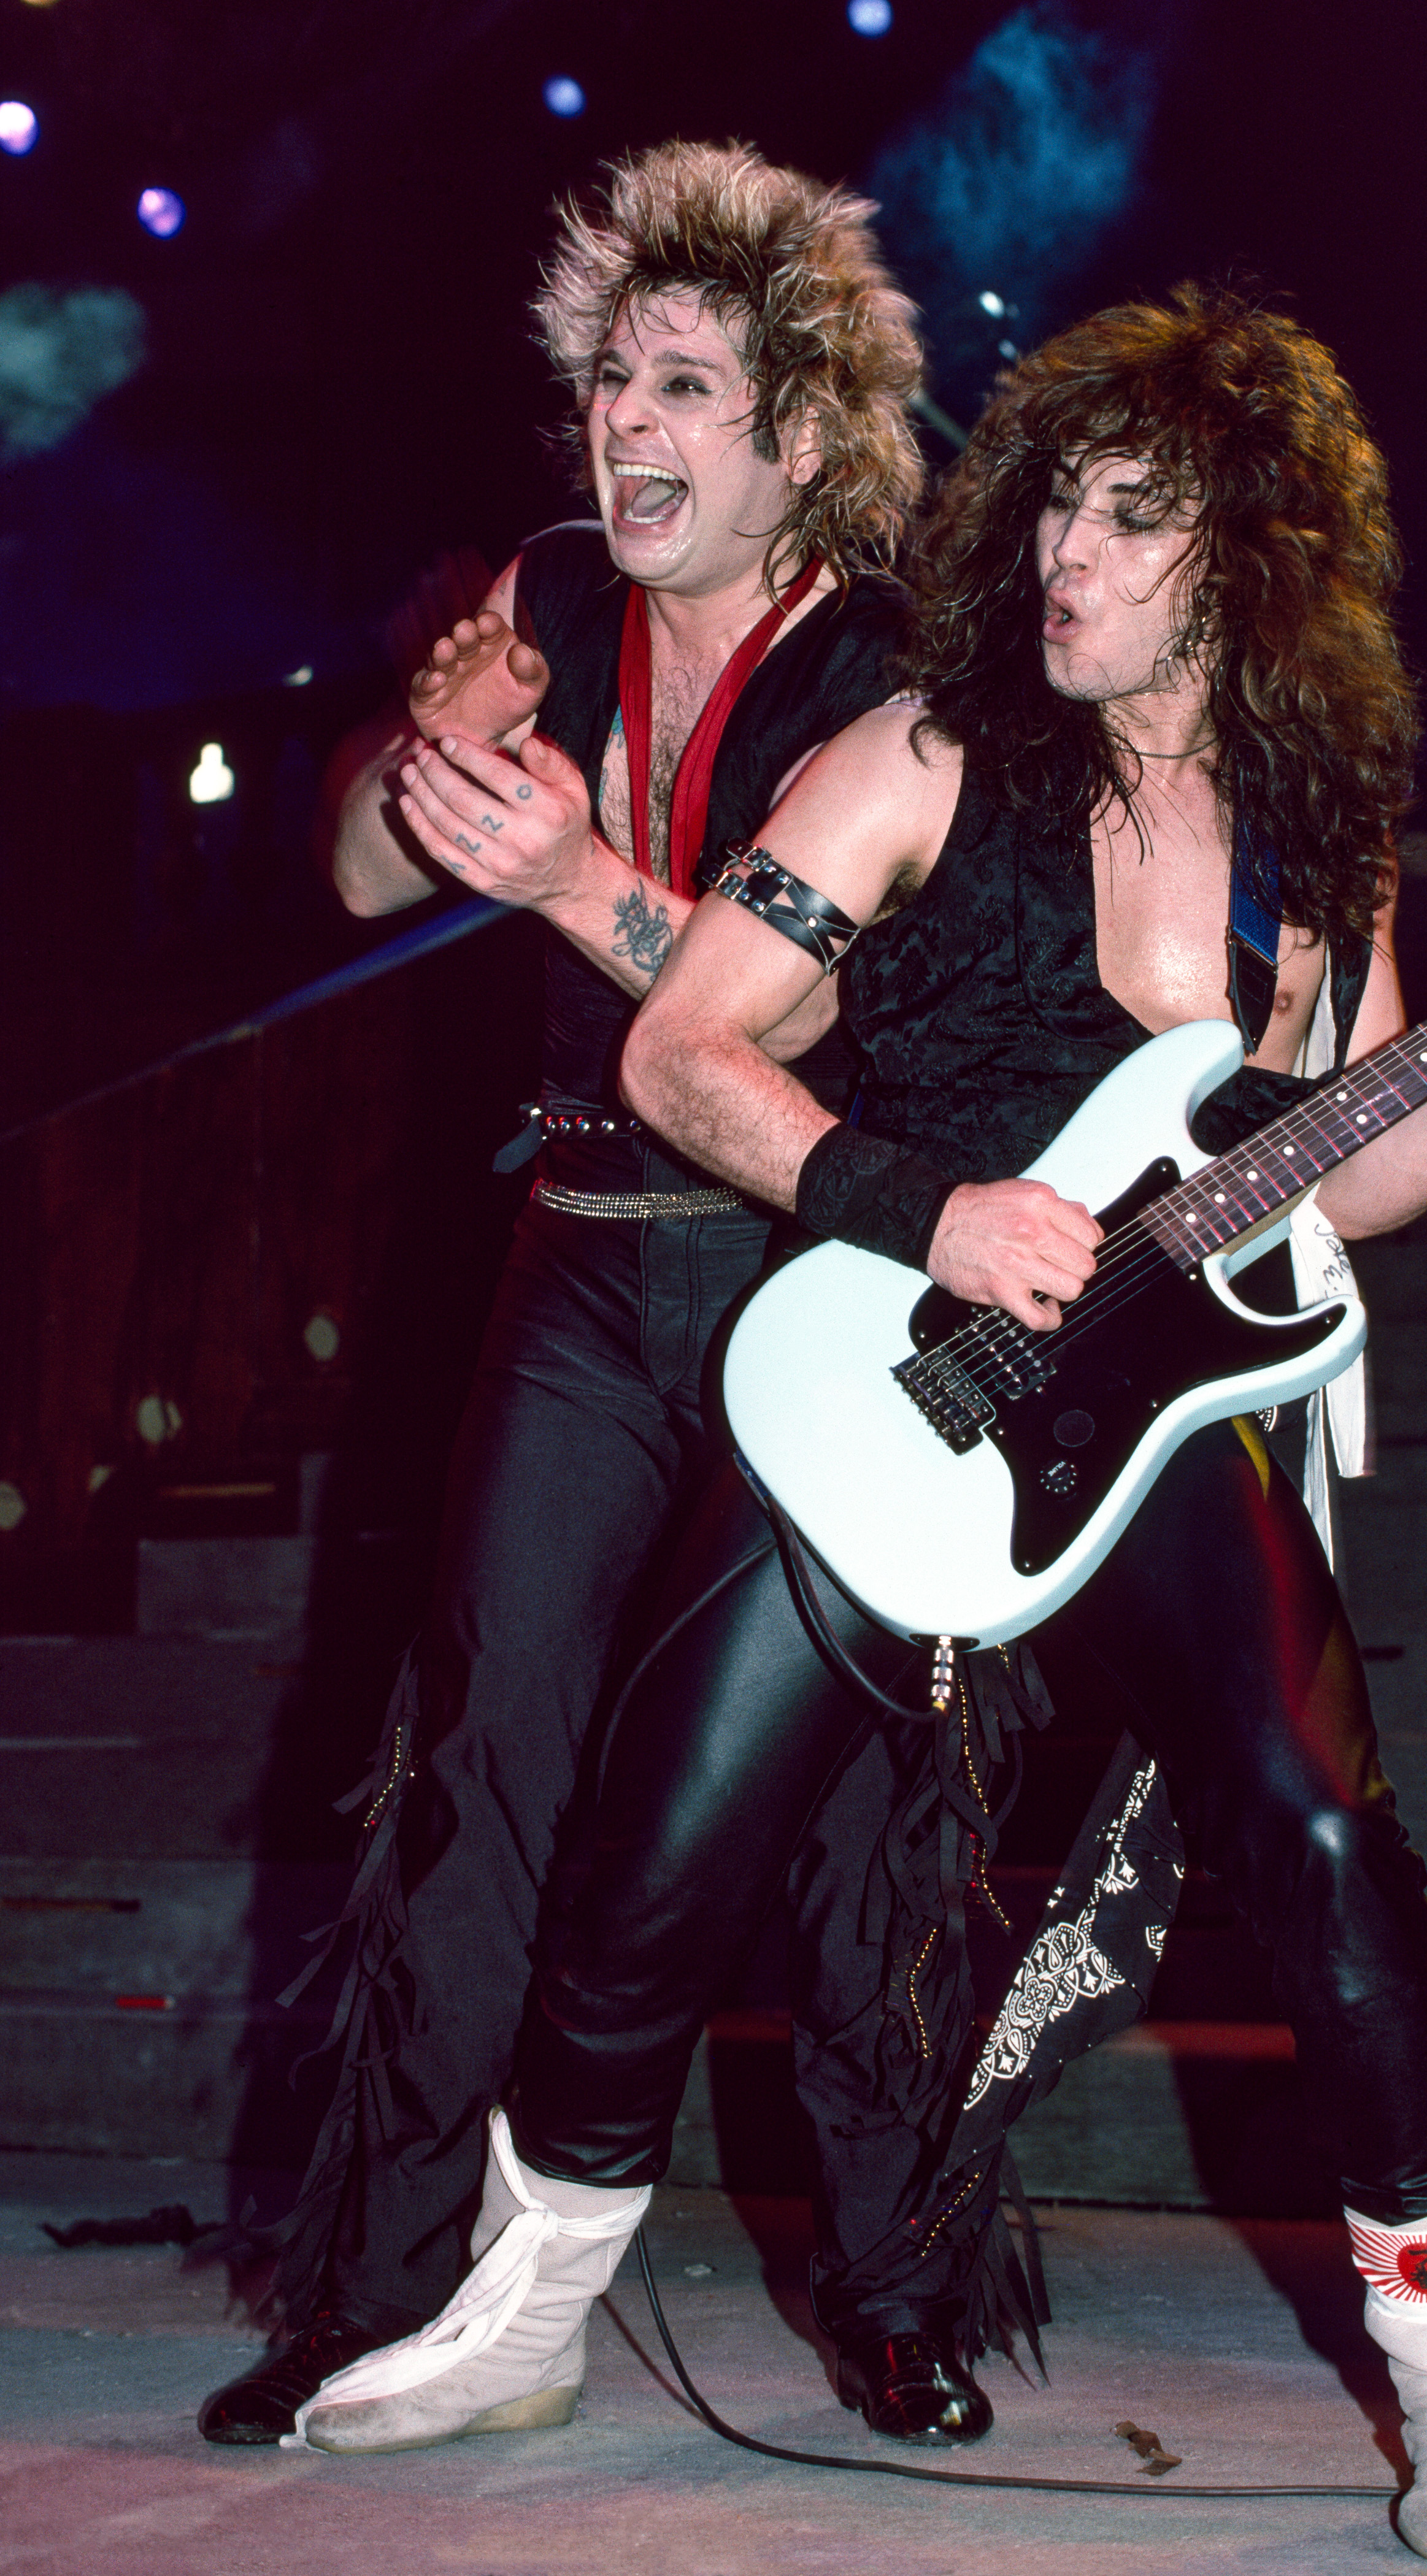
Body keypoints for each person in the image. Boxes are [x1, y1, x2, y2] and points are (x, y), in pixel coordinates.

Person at [291, 288, 1427, 2566]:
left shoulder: (1316, 816)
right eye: (1060, 496)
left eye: (1131, 517)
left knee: (1326, 1834)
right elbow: (684, 1051)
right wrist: (918, 1206)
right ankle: (533, 2302)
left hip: (1165, 1413)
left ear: (1245, 555)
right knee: (654, 1864)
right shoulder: (921, 754)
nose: (1066, 546)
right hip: (897, 1376)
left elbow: (1349, 1162)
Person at [197, 137, 971, 2449]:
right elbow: (352, 875)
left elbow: (789, 1032)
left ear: (800, 434)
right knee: (477, 1769)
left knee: (836, 1811)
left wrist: (564, 876)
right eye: (613, 379)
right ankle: (384, 2293)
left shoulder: (889, 672)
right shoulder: (550, 579)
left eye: (688, 385)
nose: (627, 424)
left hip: (806, 1276)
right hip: (578, 1268)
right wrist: (427, 761)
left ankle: (900, 2289)